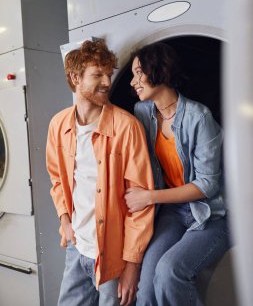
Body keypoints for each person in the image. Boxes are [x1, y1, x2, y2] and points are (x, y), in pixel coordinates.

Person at [46, 39, 154, 306]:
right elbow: (57, 178)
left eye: (109, 73)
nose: (107, 81)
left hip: (113, 255)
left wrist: (132, 266)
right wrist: (64, 219)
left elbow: (141, 203)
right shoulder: (58, 125)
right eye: (97, 74)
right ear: (75, 78)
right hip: (76, 247)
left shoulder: (126, 127)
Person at [125, 42, 231, 306]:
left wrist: (149, 197)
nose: (132, 81)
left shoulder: (199, 117)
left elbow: (207, 185)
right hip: (172, 212)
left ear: (158, 70)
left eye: (138, 72)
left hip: (209, 213)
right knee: (146, 286)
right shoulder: (143, 113)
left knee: (170, 272)